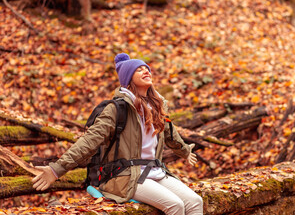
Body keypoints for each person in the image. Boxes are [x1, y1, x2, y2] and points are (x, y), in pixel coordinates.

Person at [32, 53, 204, 215]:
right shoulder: (116, 109)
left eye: (146, 68)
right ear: (128, 78)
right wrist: (56, 169)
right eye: (139, 69)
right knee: (176, 205)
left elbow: (170, 134)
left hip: (155, 171)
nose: (145, 70)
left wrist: (185, 151)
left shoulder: (156, 107)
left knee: (195, 201)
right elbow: (89, 142)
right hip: (125, 176)